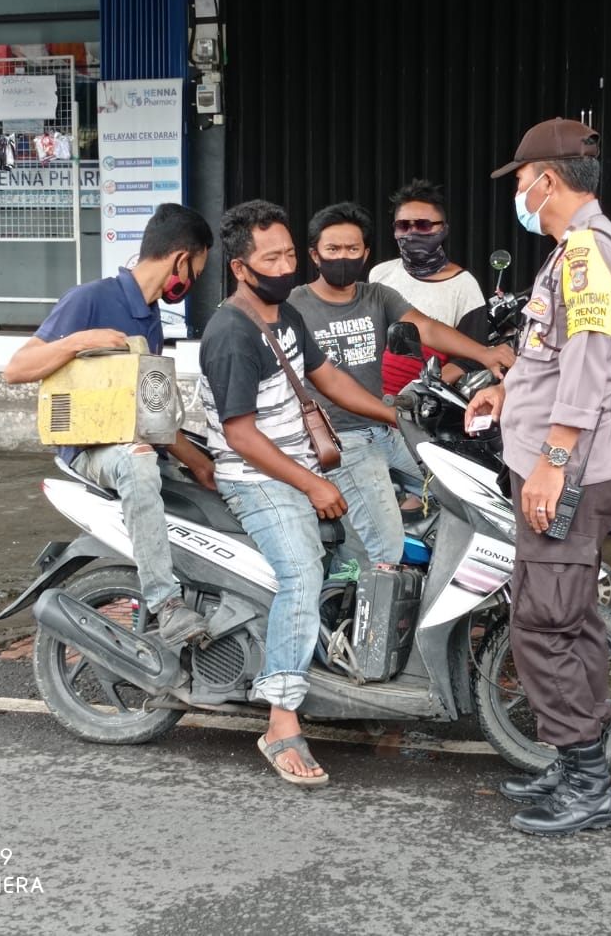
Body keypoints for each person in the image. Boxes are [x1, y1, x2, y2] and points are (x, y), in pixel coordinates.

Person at [465, 118, 611, 836]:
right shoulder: (572, 252)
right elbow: (551, 351)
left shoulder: (589, 252)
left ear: (548, 179)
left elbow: (590, 366)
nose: (521, 194)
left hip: (564, 471)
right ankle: (571, 767)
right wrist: (507, 393)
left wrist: (553, 462)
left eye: (523, 181)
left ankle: (588, 784)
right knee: (570, 619)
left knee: (545, 624)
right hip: (553, 460)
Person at [199, 200, 397, 787]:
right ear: (240, 267)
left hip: (301, 464)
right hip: (258, 478)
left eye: (289, 253)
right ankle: (281, 721)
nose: (286, 264)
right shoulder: (232, 331)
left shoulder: (284, 315)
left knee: (373, 547)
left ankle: (332, 668)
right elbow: (239, 435)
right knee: (303, 575)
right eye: (272, 257)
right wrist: (311, 484)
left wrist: (392, 415)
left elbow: (327, 376)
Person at [3, 203, 216, 649]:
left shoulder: (151, 315)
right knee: (138, 460)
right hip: (92, 449)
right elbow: (17, 369)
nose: (194, 280)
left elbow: (147, 413)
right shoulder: (90, 298)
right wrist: (80, 340)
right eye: (197, 268)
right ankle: (166, 605)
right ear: (181, 259)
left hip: (138, 442)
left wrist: (202, 463)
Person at [289, 201, 515, 564]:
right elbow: (324, 382)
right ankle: (367, 609)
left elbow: (424, 327)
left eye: (351, 249)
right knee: (386, 545)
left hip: (388, 430)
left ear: (365, 254)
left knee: (465, 488)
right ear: (315, 255)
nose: (342, 257)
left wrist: (485, 353)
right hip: (341, 439)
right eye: (332, 249)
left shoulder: (376, 295)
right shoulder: (295, 305)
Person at [370, 179, 490, 395]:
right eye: (403, 225)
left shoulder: (464, 286)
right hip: (373, 403)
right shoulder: (380, 274)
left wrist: (422, 391)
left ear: (443, 229)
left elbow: (470, 358)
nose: (412, 232)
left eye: (423, 225)